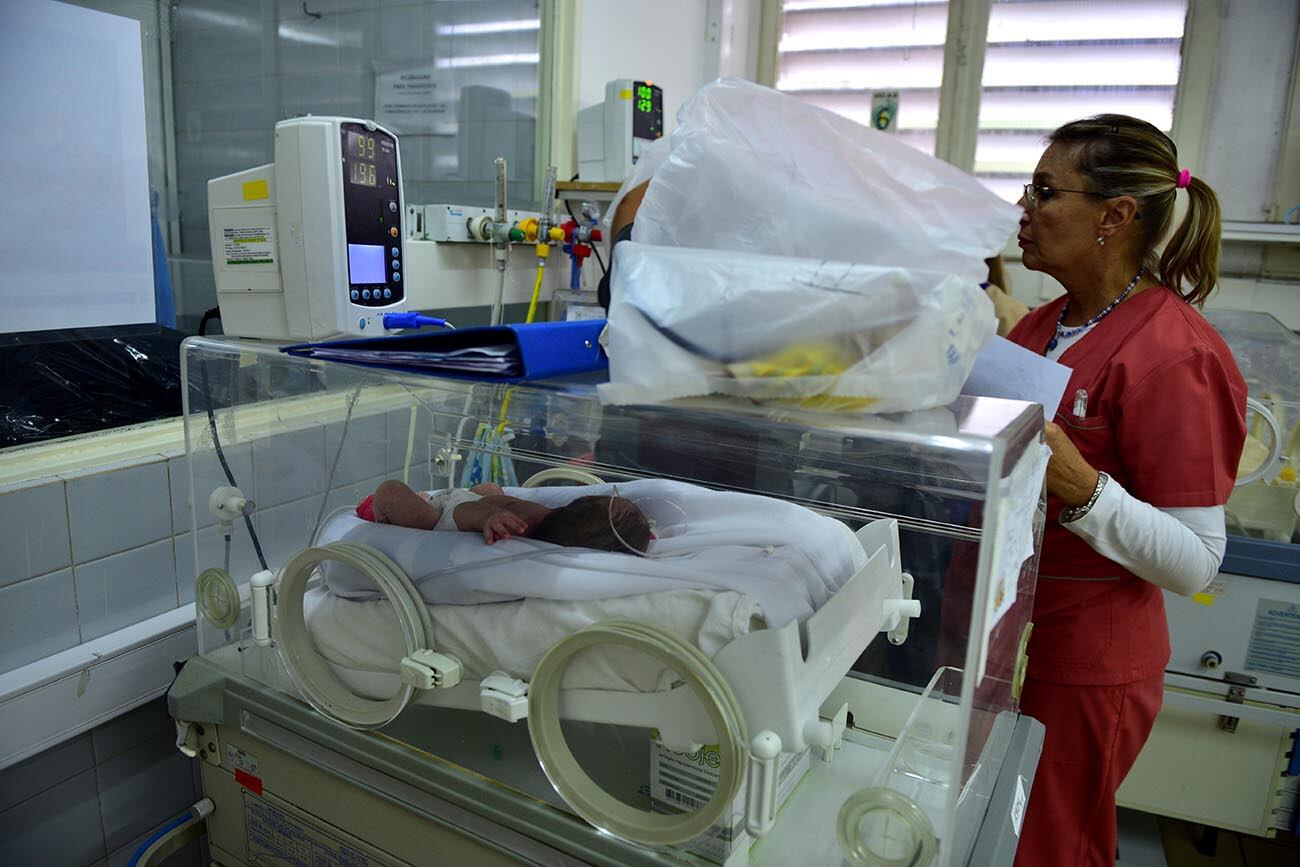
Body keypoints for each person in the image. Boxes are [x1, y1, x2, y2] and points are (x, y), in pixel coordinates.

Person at [1007, 114, 1246, 866]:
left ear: (1115, 215)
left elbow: (1196, 559)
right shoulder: (1043, 326)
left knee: (1053, 848)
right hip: (1010, 636)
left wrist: (1082, 487)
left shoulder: (1174, 355)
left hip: (1085, 664)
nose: (1025, 207)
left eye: (1046, 191)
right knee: (998, 834)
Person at [356, 479, 652, 553]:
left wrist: (486, 518)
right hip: (472, 499)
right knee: (490, 488)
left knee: (393, 491)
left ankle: (378, 513)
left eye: (605, 502)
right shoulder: (552, 516)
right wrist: (637, 532)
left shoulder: (524, 529)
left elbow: (464, 512)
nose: (602, 496)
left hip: (445, 517)